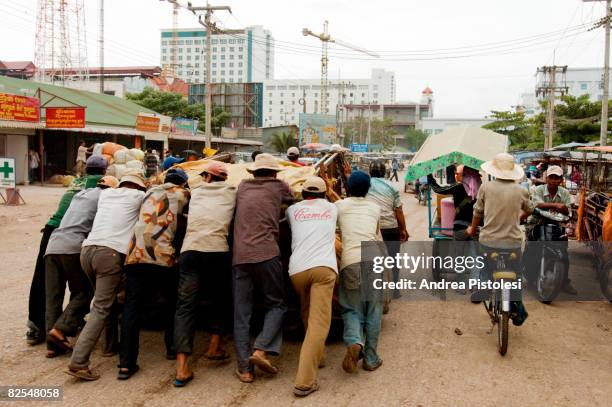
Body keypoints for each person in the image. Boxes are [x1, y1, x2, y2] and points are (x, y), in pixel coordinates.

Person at [66, 171, 146, 381]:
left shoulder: (107, 195)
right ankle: (79, 361)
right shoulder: (138, 196)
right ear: (138, 187)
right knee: (101, 307)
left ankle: (109, 346)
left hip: (88, 251)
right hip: (109, 254)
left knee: (105, 301)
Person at [25, 155, 108, 346]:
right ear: (104, 171)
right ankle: (59, 327)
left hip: (52, 231)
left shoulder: (77, 182)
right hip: (71, 233)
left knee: (47, 284)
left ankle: (42, 330)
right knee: (81, 285)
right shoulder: (99, 186)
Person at [118, 168, 190, 380]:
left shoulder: (149, 193)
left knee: (132, 307)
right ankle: (171, 347)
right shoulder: (183, 194)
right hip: (161, 256)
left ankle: (125, 364)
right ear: (183, 184)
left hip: (136, 255)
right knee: (171, 302)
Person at [232, 153, 295, 383]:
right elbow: (293, 197)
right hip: (268, 254)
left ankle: (245, 370)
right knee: (277, 305)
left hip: (240, 256)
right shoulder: (279, 186)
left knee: (242, 313)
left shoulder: (242, 187)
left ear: (254, 172)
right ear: (274, 173)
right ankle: (260, 350)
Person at [173, 161, 236, 387]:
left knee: (185, 306)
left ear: (207, 177)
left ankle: (181, 367)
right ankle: (214, 345)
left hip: (190, 250)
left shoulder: (195, 193)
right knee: (222, 298)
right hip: (217, 251)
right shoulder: (232, 192)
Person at [44, 175, 119, 358]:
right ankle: (61, 329)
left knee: (53, 296)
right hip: (73, 247)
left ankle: (52, 344)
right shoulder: (105, 197)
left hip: (53, 245)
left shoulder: (81, 194)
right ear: (110, 188)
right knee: (84, 292)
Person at [286, 176, 338, 397]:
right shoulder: (332, 208)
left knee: (306, 311)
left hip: (296, 270)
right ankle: (305, 382)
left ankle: (320, 355)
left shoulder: (292, 210)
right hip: (323, 269)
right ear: (323, 194)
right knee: (319, 324)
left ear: (304, 193)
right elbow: (335, 200)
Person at [466, 153, 532, 324]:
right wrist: (517, 218)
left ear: (494, 169)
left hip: (489, 241)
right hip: (513, 242)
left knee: (486, 268)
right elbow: (530, 209)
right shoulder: (521, 190)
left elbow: (477, 212)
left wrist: (472, 229)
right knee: (516, 275)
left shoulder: (486, 187)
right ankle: (517, 306)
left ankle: (486, 285)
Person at [336, 171, 384, 373]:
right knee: (373, 310)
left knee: (351, 309)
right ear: (368, 189)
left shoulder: (339, 207)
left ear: (348, 188)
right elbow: (375, 233)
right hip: (374, 259)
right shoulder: (375, 208)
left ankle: (355, 341)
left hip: (351, 262)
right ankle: (371, 359)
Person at [523, 165, 576, 294]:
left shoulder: (564, 193)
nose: (553, 180)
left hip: (557, 225)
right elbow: (537, 204)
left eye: (556, 178)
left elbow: (567, 209)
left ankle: (564, 282)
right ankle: (528, 274)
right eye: (551, 177)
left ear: (561, 180)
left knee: (563, 253)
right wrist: (557, 205)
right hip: (537, 223)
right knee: (531, 248)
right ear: (547, 178)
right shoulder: (538, 189)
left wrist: (559, 208)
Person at [367, 160, 409, 307]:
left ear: (370, 172)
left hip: (372, 228)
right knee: (393, 260)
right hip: (390, 228)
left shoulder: (365, 184)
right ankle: (395, 289)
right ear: (384, 172)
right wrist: (403, 230)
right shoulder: (391, 186)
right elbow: (398, 210)